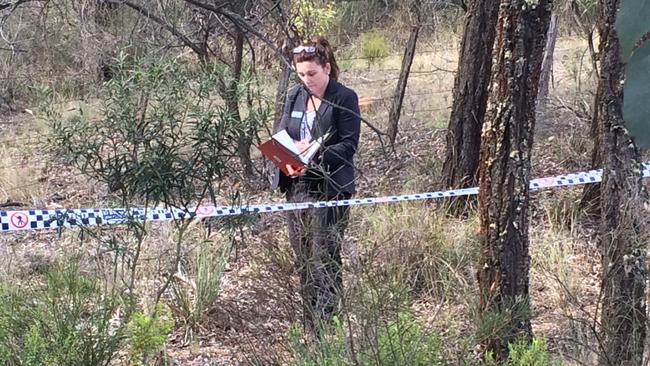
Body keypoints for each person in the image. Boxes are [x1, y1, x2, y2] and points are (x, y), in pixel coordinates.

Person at [272, 36, 361, 330]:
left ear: (326, 67)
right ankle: (310, 325)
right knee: (304, 257)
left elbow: (348, 146)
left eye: (312, 73)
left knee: (325, 256)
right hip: (296, 188)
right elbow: (283, 134)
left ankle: (329, 325)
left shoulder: (344, 97)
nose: (306, 80)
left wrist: (315, 154)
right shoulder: (295, 96)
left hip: (329, 188)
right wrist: (289, 160)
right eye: (301, 74)